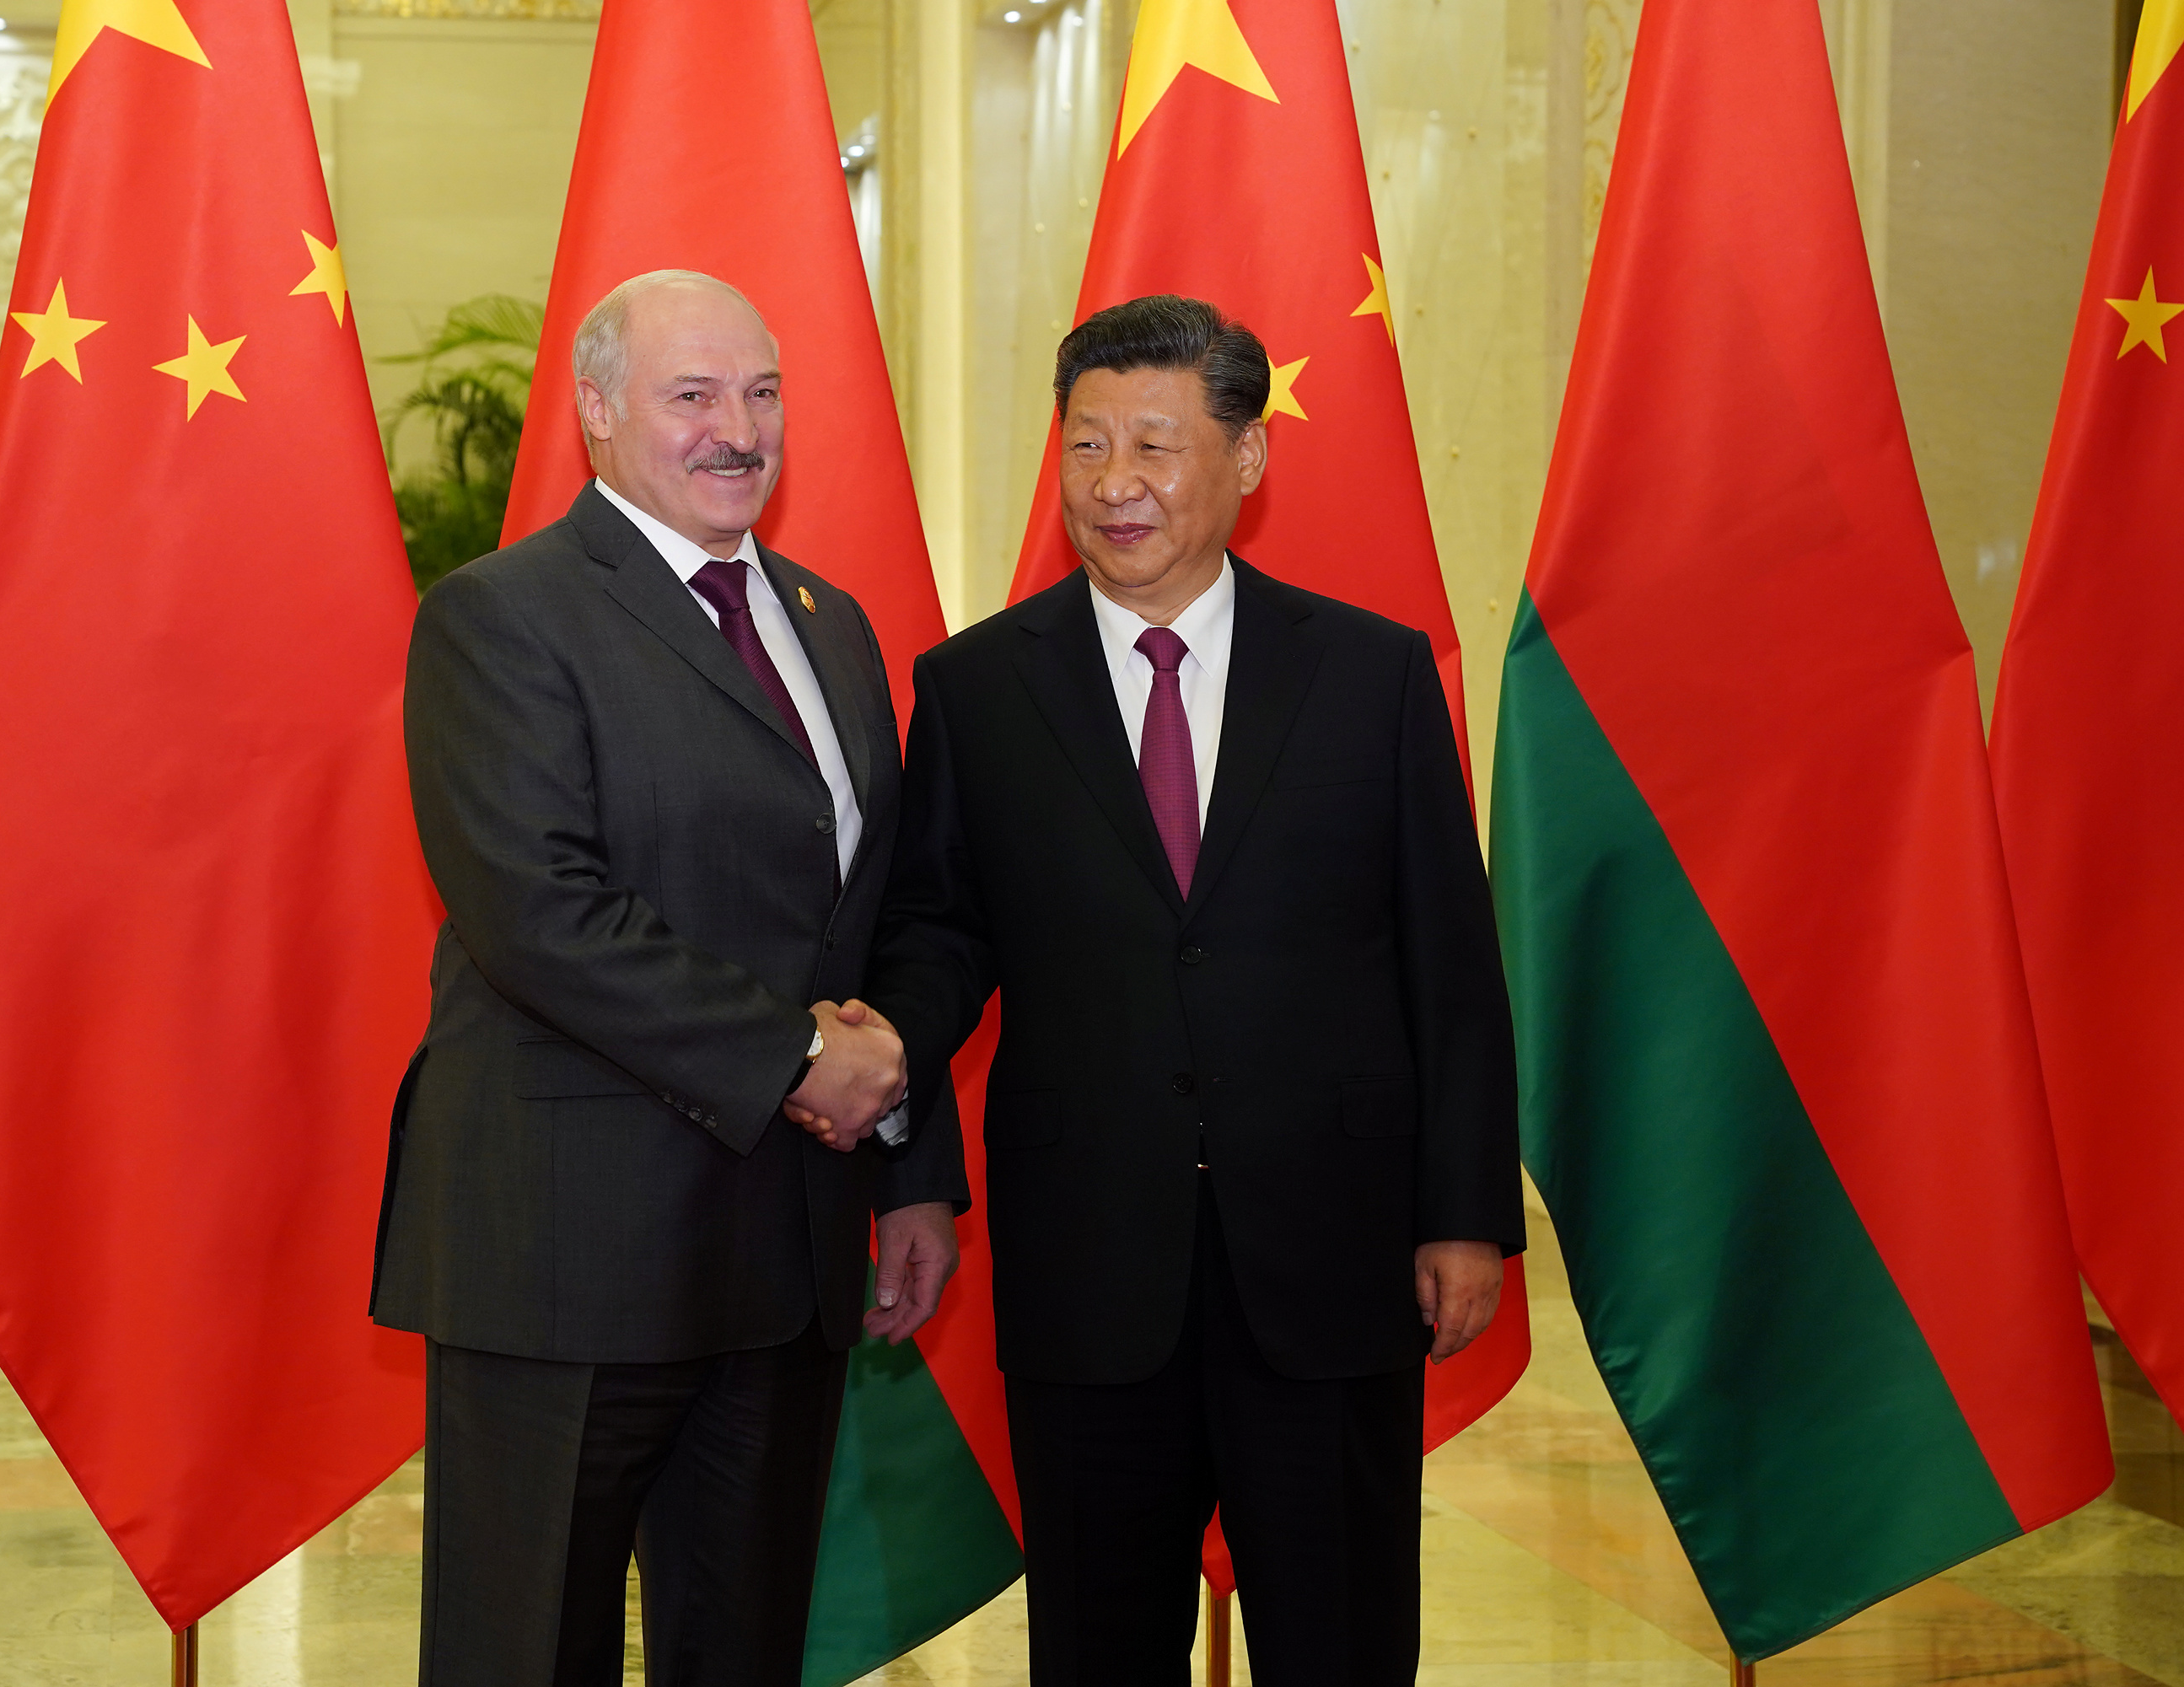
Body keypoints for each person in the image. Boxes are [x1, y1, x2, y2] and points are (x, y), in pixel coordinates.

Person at [854, 294, 1523, 1684]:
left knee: (1338, 1634)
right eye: (1086, 445)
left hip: (1330, 1254)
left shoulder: (1372, 674)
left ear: (1248, 458)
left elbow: (1450, 966)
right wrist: (902, 1149)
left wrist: (1465, 1211)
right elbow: (932, 937)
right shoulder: (978, 689)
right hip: (1089, 1256)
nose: (1115, 485)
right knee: (1099, 1641)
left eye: (1155, 445)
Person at [374, 268, 964, 1687]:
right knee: (528, 1651)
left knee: (744, 1649)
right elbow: (540, 913)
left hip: (787, 1257)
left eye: (761, 393)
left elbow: (868, 918)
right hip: (570, 1255)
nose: (736, 429)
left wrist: (907, 1162)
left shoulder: (831, 623)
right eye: (692, 394)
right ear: (596, 410)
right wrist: (792, 1060)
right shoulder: (499, 616)